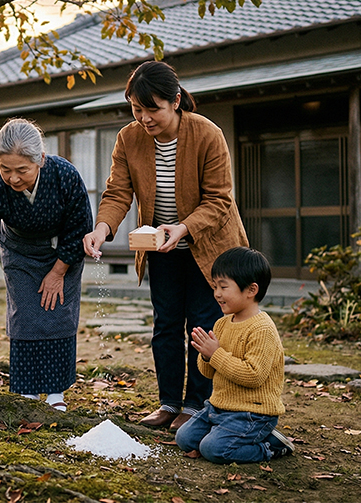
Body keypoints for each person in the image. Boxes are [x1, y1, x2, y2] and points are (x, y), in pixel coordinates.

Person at [82, 60, 248, 431]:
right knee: (166, 325)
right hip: (161, 248)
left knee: (203, 326)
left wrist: (184, 227)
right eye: (136, 109)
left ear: (175, 101)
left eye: (152, 109)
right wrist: (102, 229)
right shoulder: (129, 138)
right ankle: (169, 403)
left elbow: (220, 199)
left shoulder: (207, 133)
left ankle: (197, 406)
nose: (144, 118)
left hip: (209, 249)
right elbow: (118, 192)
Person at [0, 118, 93, 411]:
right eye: (5, 169)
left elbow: (79, 226)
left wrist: (58, 272)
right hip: (20, 252)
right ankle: (26, 390)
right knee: (24, 315)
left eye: (22, 170)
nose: (13, 178)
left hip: (63, 251)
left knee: (58, 312)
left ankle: (55, 392)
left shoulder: (64, 175)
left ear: (40, 160)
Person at [175, 247, 295, 463]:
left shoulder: (262, 329)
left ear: (251, 290)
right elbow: (209, 373)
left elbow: (253, 376)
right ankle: (232, 435)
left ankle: (271, 446)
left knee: (213, 450)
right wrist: (206, 356)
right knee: (184, 438)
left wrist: (216, 354)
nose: (216, 293)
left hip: (253, 413)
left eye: (223, 287)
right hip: (218, 407)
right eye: (215, 286)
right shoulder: (222, 324)